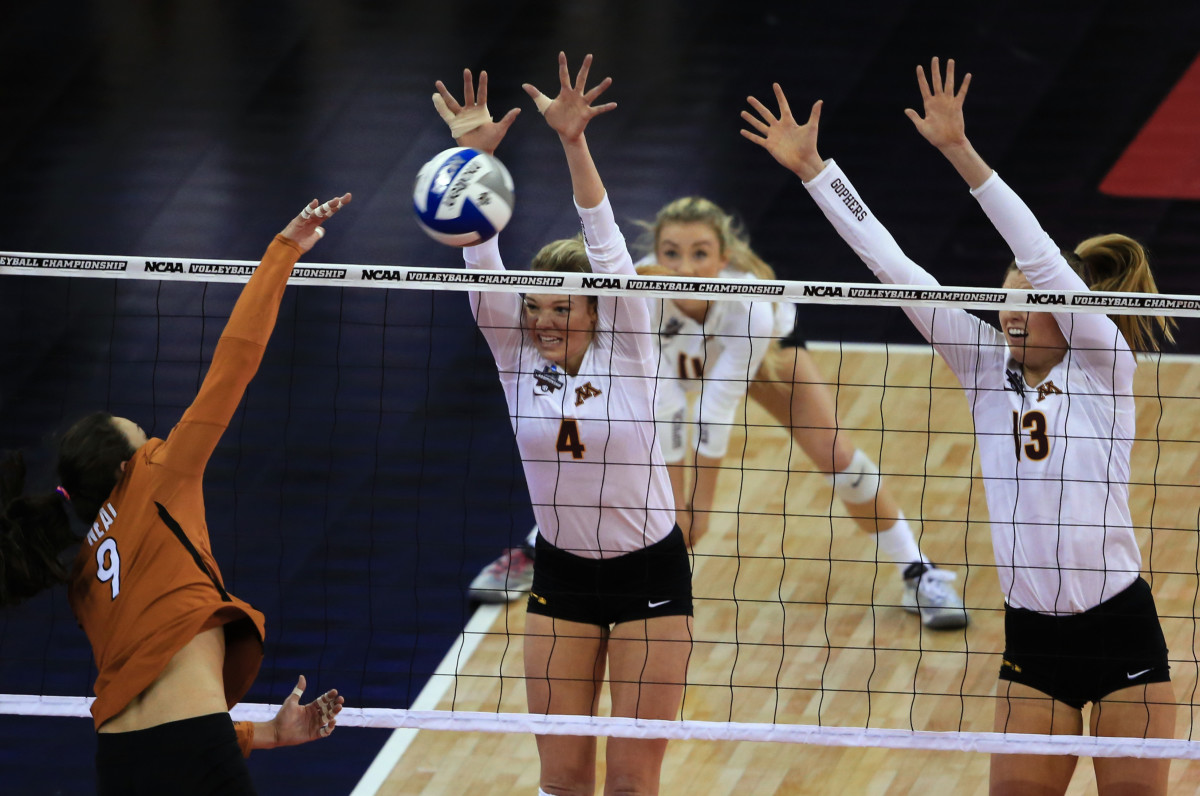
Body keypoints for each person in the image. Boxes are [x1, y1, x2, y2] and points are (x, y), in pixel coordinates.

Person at [741, 58, 1177, 796]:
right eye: (1001, 296)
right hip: (1033, 640)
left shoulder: (1103, 364)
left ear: (1065, 309)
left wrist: (959, 152)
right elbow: (894, 267)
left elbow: (1037, 249)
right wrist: (816, 170)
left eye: (1027, 298)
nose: (1010, 309)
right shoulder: (982, 367)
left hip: (1120, 629)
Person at [0, 194, 350, 794]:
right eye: (139, 430)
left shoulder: (86, 572)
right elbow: (234, 363)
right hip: (191, 747)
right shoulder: (159, 474)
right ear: (126, 460)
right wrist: (284, 248)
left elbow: (160, 727)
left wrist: (263, 736)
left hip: (122, 762)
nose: (152, 432)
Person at [433, 54, 692, 796]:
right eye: (535, 307)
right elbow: (481, 257)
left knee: (632, 784)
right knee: (562, 779)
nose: (543, 320)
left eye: (561, 308)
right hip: (564, 575)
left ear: (595, 311)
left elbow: (605, 242)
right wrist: (470, 160)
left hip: (650, 574)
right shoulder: (515, 354)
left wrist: (573, 142)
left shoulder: (630, 346)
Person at [637, 196, 967, 629]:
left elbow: (714, 412)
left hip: (763, 356)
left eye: (700, 253)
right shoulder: (637, 290)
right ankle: (544, 548)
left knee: (836, 455)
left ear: (724, 257)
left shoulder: (750, 305)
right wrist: (676, 513)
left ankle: (918, 571)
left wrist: (699, 508)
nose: (684, 269)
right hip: (671, 366)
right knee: (605, 439)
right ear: (656, 254)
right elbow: (670, 408)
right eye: (671, 254)